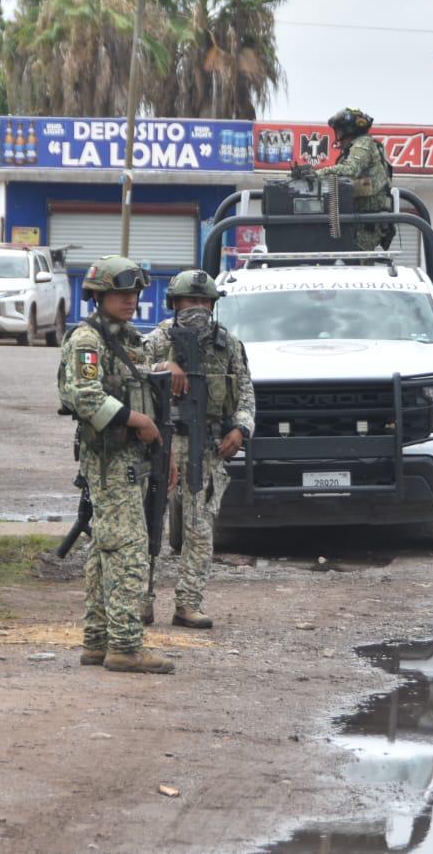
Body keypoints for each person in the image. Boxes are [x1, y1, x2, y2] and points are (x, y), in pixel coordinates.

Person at [57, 255, 175, 675]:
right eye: (121, 294)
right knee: (128, 549)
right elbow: (83, 395)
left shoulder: (125, 339)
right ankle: (124, 646)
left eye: (135, 293)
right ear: (99, 295)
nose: (131, 300)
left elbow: (138, 378)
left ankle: (97, 641)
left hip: (132, 456)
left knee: (105, 549)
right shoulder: (87, 340)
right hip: (109, 457)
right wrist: (136, 420)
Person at [141, 270, 256, 630]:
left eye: (205, 301)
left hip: (206, 447)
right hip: (161, 443)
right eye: (191, 301)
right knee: (149, 523)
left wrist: (240, 429)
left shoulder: (228, 345)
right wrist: (163, 367)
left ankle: (189, 603)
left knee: (199, 529)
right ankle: (140, 600)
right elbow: (131, 375)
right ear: (174, 303)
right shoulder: (157, 340)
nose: (198, 307)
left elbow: (246, 395)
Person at [315, 107, 394, 250]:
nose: (338, 134)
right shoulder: (359, 146)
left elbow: (350, 170)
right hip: (357, 220)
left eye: (339, 130)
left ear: (348, 130)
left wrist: (316, 174)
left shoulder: (363, 143)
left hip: (366, 224)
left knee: (354, 261)